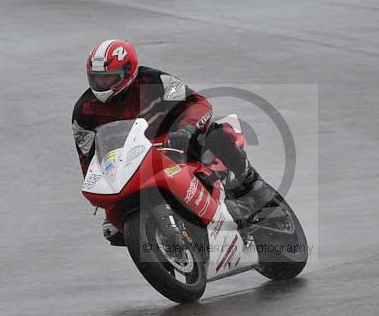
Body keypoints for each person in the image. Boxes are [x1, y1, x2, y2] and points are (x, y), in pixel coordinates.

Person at [72, 39, 273, 245]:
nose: (102, 85)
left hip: (177, 141)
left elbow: (198, 102)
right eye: (96, 79)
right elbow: (88, 159)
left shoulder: (154, 79)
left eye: (109, 78)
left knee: (214, 134)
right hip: (133, 162)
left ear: (128, 71)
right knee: (115, 231)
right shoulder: (85, 111)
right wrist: (105, 196)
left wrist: (187, 129)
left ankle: (251, 181)